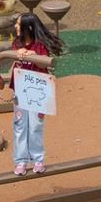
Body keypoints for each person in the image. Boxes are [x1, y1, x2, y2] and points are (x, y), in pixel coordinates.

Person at [4, 14, 63, 175]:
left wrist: (33, 56)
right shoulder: (17, 43)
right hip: (21, 91)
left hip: (38, 93)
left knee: (36, 126)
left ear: (27, 28)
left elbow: (44, 60)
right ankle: (21, 161)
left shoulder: (39, 45)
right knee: (20, 125)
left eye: (18, 24)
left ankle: (38, 160)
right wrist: (20, 52)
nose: (15, 27)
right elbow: (15, 55)